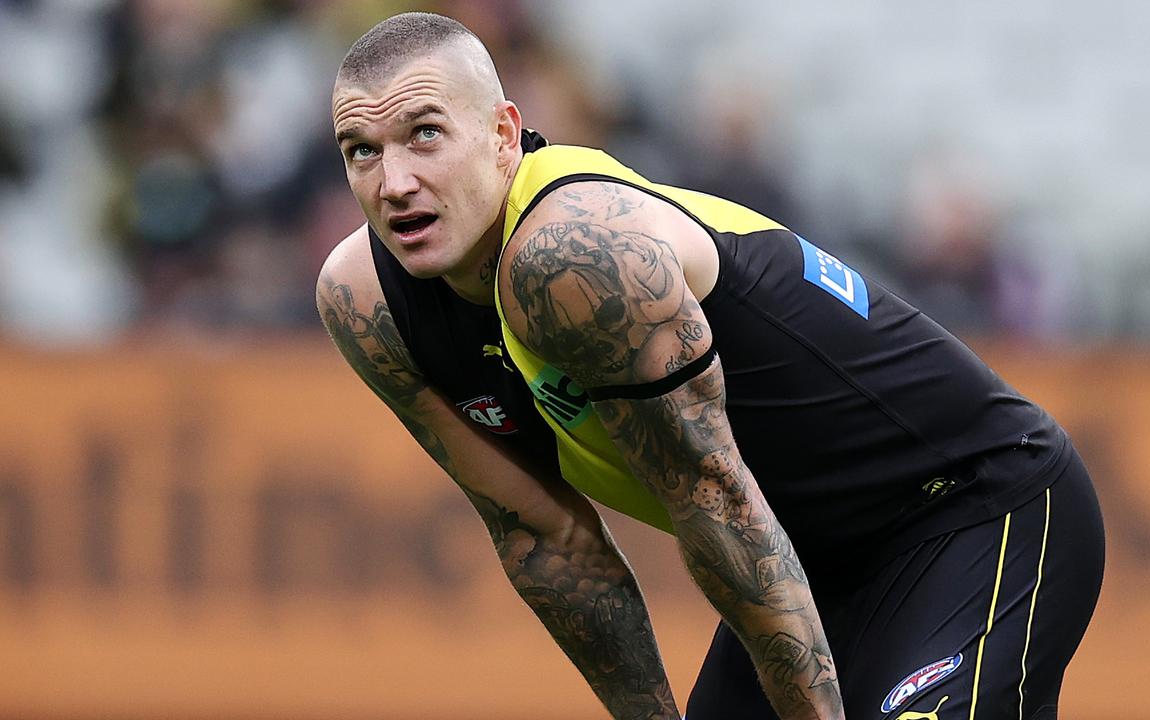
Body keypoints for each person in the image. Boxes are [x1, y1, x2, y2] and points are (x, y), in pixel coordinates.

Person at [317, 12, 1105, 720]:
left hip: (972, 508)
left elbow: (714, 496)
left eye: (425, 134)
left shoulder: (574, 253)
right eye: (362, 151)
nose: (394, 184)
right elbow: (545, 539)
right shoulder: (364, 301)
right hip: (809, 562)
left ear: (502, 132)